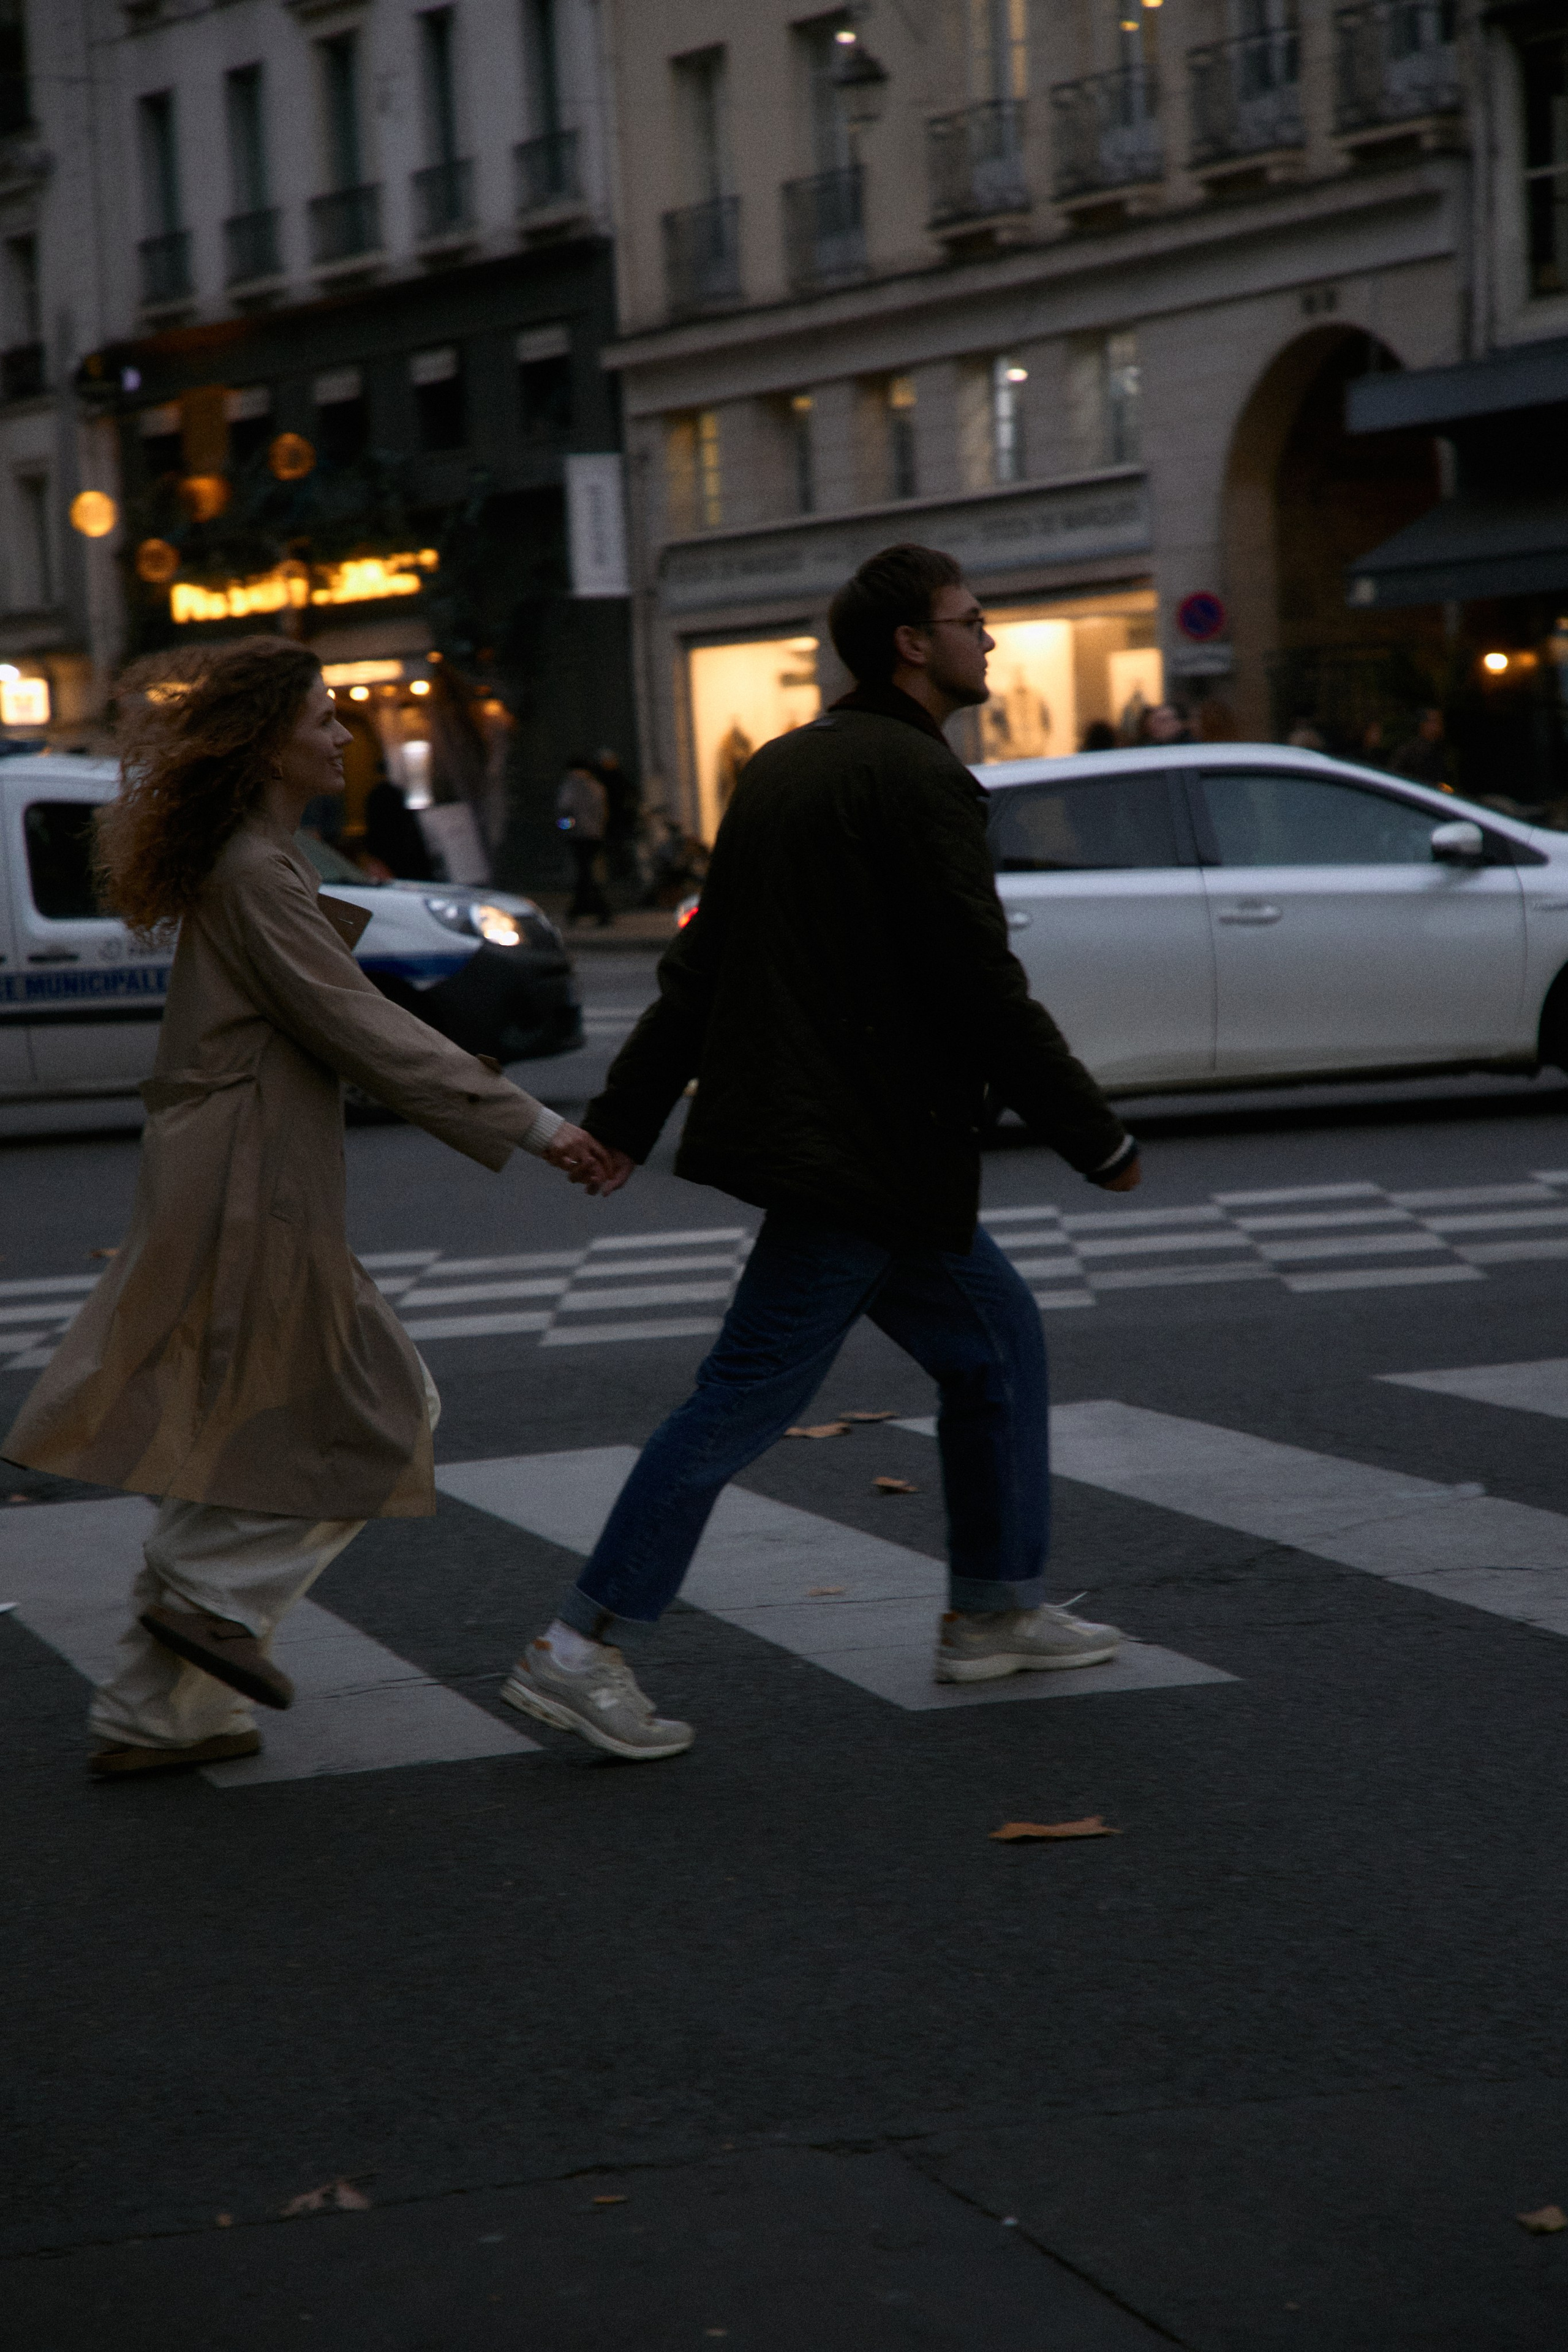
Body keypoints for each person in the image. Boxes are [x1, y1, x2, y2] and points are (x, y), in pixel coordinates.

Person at [499, 543, 1142, 1763]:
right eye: (969, 620)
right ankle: (579, 1645)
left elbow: (702, 966)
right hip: (868, 1153)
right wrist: (1091, 1133)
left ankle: (992, 1610)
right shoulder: (920, 779)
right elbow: (979, 986)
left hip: (845, 1148)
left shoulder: (786, 766)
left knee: (996, 1344)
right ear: (912, 644)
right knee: (742, 1399)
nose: (988, 638)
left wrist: (624, 1121)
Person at [2, 637, 613, 1780]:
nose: (342, 736)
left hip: (234, 1170)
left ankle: (156, 1714)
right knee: (385, 1407)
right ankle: (207, 1598)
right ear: (266, 744)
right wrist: (540, 1127)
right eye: (324, 719)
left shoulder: (256, 860)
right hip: (247, 1181)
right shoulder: (253, 872)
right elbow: (365, 1028)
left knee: (247, 1430)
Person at [556, 756, 612, 925]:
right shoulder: (596, 786)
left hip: (578, 834)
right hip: (595, 834)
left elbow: (565, 807)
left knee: (585, 873)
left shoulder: (571, 786)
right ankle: (583, 910)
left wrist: (565, 827)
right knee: (587, 872)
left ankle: (594, 910)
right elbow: (602, 811)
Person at [1393, 706, 1450, 786]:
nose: (1438, 726)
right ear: (1423, 724)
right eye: (1434, 722)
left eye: (1440, 722)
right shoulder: (1410, 751)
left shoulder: (1441, 751)